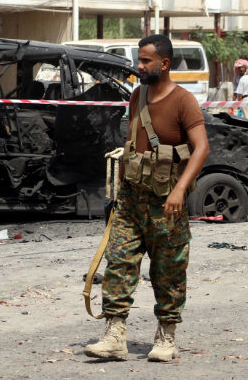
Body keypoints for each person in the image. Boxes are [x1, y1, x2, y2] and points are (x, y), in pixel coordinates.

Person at [84, 34, 209, 362]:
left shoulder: (184, 101)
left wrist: (180, 189)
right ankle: (114, 335)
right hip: (131, 198)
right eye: (139, 60)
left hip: (167, 201)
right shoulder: (138, 95)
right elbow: (131, 144)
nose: (138, 66)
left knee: (168, 269)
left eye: (145, 61)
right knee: (119, 262)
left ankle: (166, 336)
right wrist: (119, 193)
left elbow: (202, 148)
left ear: (164, 64)